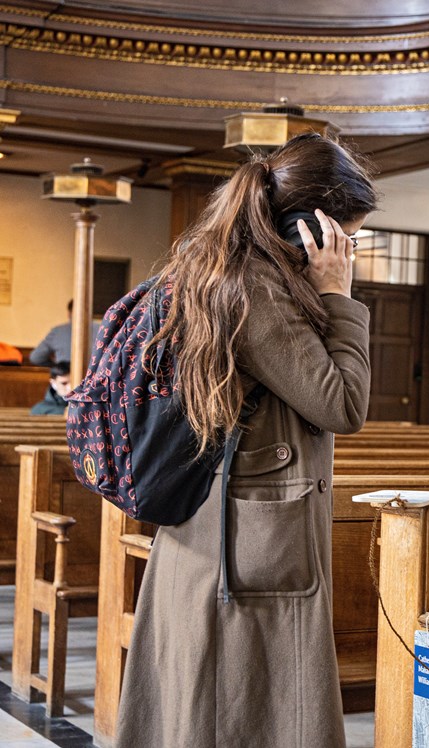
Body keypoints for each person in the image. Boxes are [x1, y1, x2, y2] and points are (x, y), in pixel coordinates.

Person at [115, 133, 377, 747]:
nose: (351, 251)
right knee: (238, 711)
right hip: (241, 547)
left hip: (224, 532)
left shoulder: (222, 269)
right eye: (349, 237)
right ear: (313, 231)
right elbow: (342, 403)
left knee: (207, 707)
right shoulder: (254, 290)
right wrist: (338, 293)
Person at [28, 299, 101, 367]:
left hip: (65, 375)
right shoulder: (101, 330)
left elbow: (35, 357)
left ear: (69, 313)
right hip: (96, 377)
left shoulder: (58, 331)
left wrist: (57, 366)